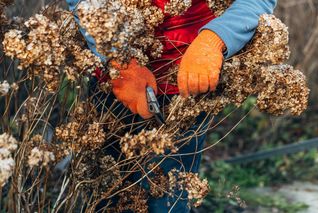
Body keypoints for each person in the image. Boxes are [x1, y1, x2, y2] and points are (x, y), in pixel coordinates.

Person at [66, 0, 277, 212]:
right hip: (114, 85)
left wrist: (215, 39)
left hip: (186, 89)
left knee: (166, 202)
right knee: (106, 198)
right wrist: (119, 62)